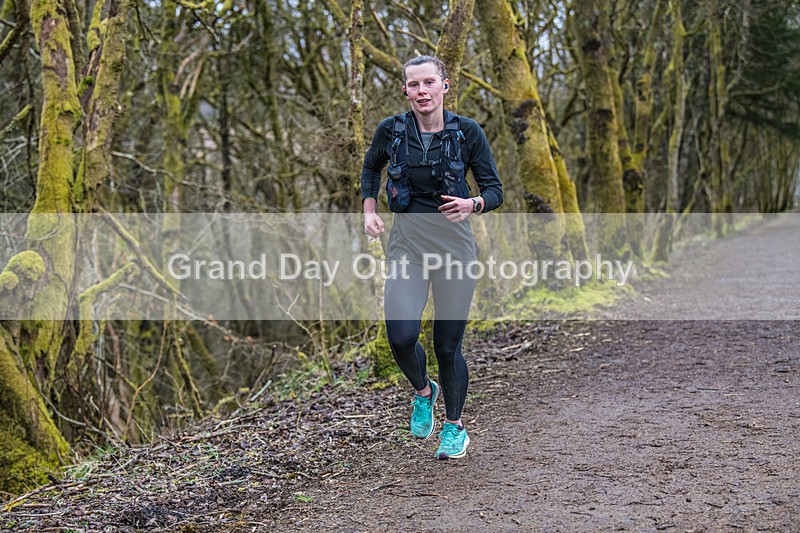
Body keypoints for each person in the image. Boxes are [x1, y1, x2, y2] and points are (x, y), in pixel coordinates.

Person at [360, 55, 503, 459]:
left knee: (447, 346)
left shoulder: (468, 133)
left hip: (455, 248)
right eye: (413, 85)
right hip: (407, 244)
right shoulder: (390, 131)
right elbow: (371, 170)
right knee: (401, 336)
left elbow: (495, 189)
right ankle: (424, 391)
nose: (421, 91)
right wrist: (370, 210)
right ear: (405, 90)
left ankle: (455, 427)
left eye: (429, 83)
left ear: (445, 85)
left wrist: (472, 204)